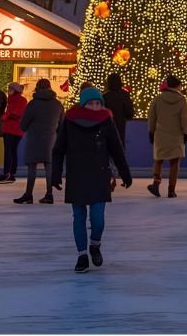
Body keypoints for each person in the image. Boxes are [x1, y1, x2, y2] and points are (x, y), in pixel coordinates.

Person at [51, 86, 132, 273]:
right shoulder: (69, 121)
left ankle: (95, 244)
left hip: (99, 175)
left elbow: (117, 150)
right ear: (83, 104)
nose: (95, 107)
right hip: (77, 175)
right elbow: (58, 150)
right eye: (91, 103)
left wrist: (125, 173)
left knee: (98, 219)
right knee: (78, 217)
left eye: (98, 103)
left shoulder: (106, 122)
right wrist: (55, 175)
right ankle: (82, 255)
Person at [16, 79, 64, 204]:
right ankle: (49, 194)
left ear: (37, 88)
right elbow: (62, 126)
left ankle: (28, 194)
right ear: (50, 88)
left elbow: (23, 125)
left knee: (32, 166)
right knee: (49, 166)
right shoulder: (58, 104)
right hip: (51, 139)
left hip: (34, 138)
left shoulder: (32, 104)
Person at [148, 75, 187, 198]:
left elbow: (152, 117)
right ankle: (171, 189)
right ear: (176, 86)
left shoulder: (157, 99)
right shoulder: (182, 99)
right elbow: (184, 119)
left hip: (160, 134)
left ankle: (156, 183)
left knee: (158, 159)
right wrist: (186, 133)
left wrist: (151, 131)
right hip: (176, 136)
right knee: (175, 162)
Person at [0, 82, 27, 183]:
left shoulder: (14, 100)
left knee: (8, 152)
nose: (8, 90)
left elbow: (11, 114)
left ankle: (7, 173)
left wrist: (4, 118)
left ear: (14, 90)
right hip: (18, 130)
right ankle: (12, 173)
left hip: (10, 129)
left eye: (10, 88)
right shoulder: (20, 100)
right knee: (13, 151)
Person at [103, 73, 135, 148]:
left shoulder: (105, 97)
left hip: (107, 130)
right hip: (120, 129)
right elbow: (130, 113)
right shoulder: (125, 95)